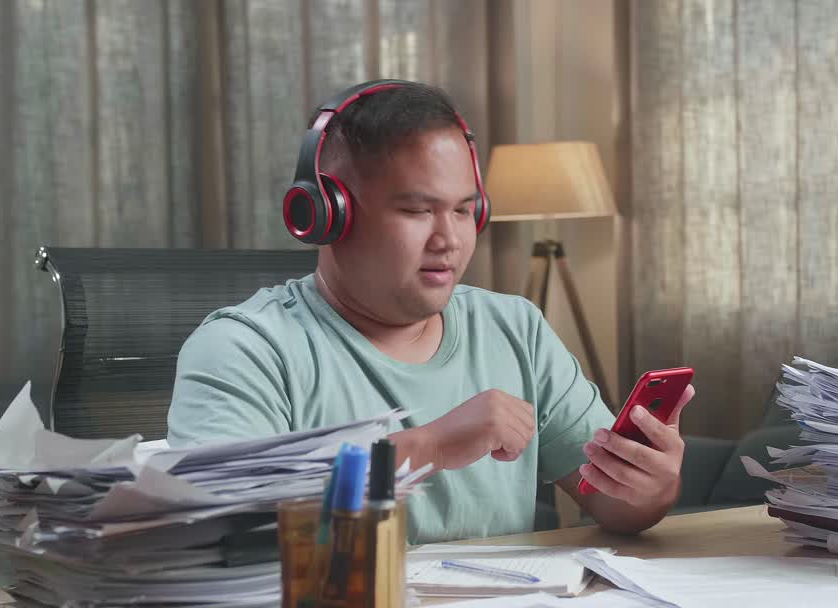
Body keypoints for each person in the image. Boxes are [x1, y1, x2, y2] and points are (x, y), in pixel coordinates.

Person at [167, 80, 695, 543]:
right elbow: (229, 526)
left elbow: (612, 503)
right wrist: (429, 446)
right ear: (326, 214)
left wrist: (650, 486)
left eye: (464, 211)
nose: (450, 239)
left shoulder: (515, 329)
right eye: (417, 211)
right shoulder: (244, 349)